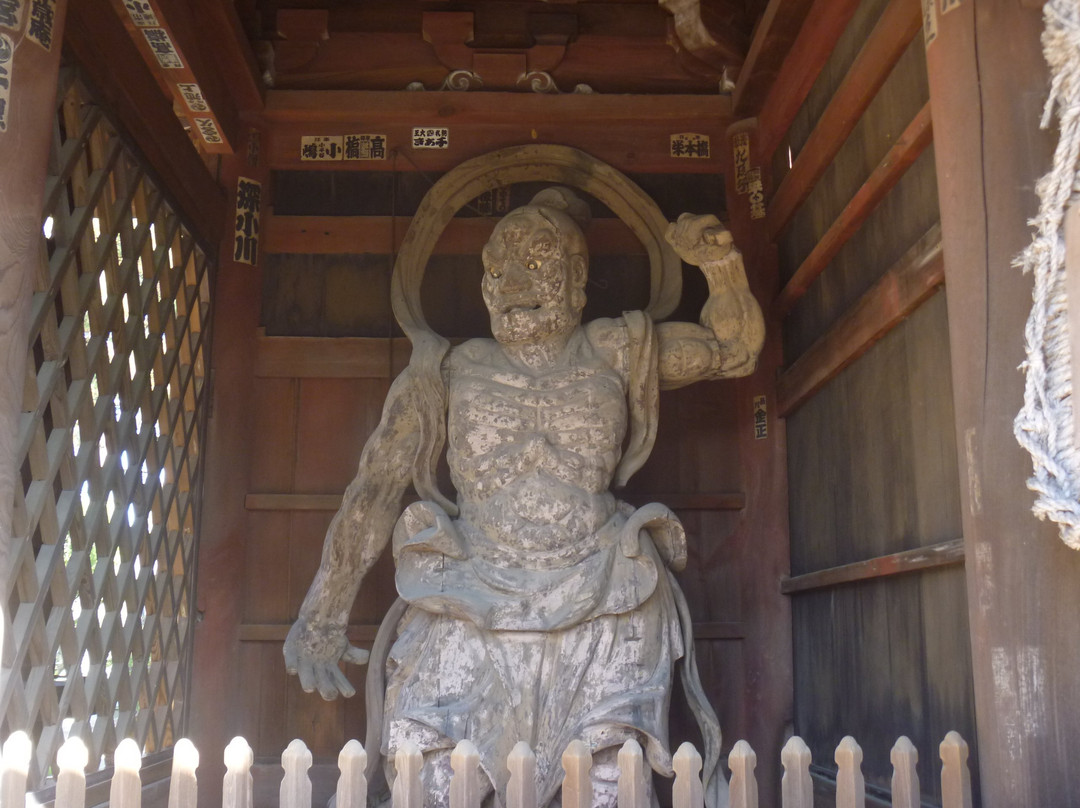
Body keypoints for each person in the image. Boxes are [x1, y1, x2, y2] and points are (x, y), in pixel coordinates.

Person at [284, 187, 765, 808]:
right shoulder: (445, 371)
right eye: (496, 267)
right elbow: (373, 489)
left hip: (602, 589)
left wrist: (719, 268)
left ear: (578, 279)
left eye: (537, 261)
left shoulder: (618, 351)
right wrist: (323, 612)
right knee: (425, 766)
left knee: (606, 778)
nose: (512, 280)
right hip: (468, 585)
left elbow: (733, 351)